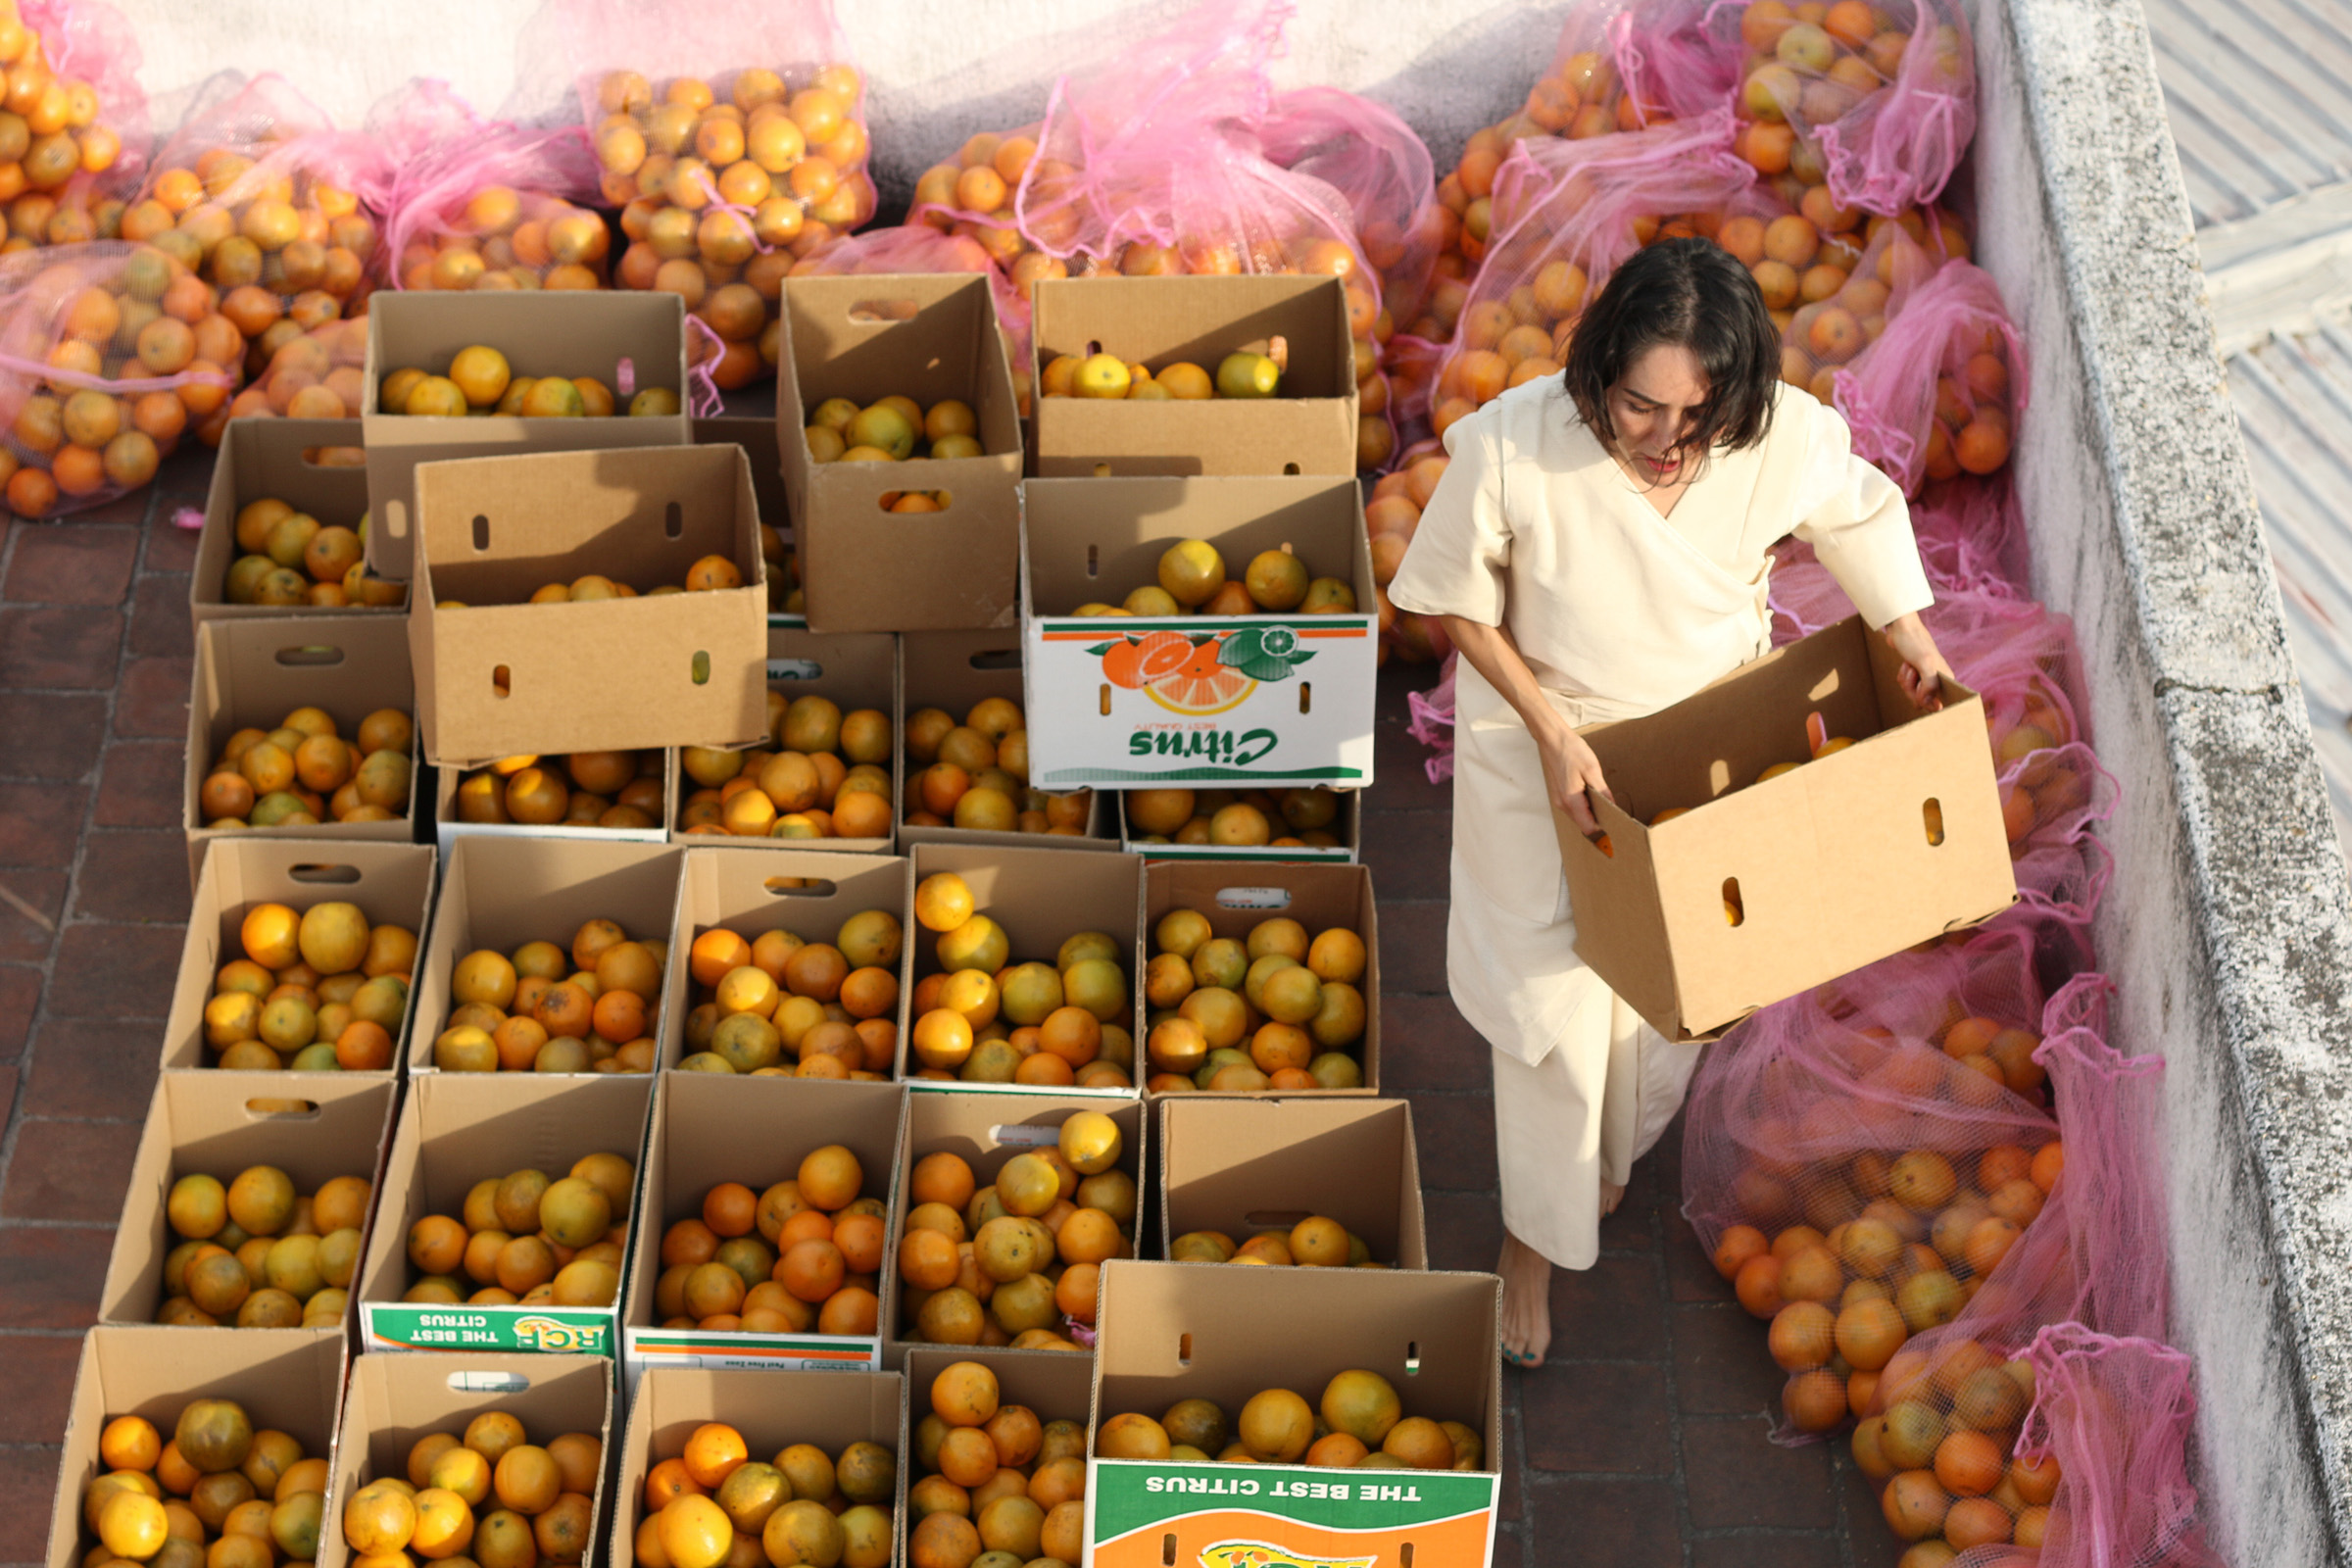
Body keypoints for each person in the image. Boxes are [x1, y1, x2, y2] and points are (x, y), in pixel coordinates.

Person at [1387, 236, 1953, 1369]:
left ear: (1736, 396)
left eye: (1694, 418)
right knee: (1550, 1009)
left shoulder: (1778, 434)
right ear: (1597, 370)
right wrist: (1550, 730)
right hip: (1547, 749)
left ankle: (1604, 1161)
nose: (1662, 440)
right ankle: (1529, 1247)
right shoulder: (1516, 442)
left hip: (1701, 749)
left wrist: (1917, 646)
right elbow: (1450, 600)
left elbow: (1859, 516)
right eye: (1638, 408)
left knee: (1672, 994)